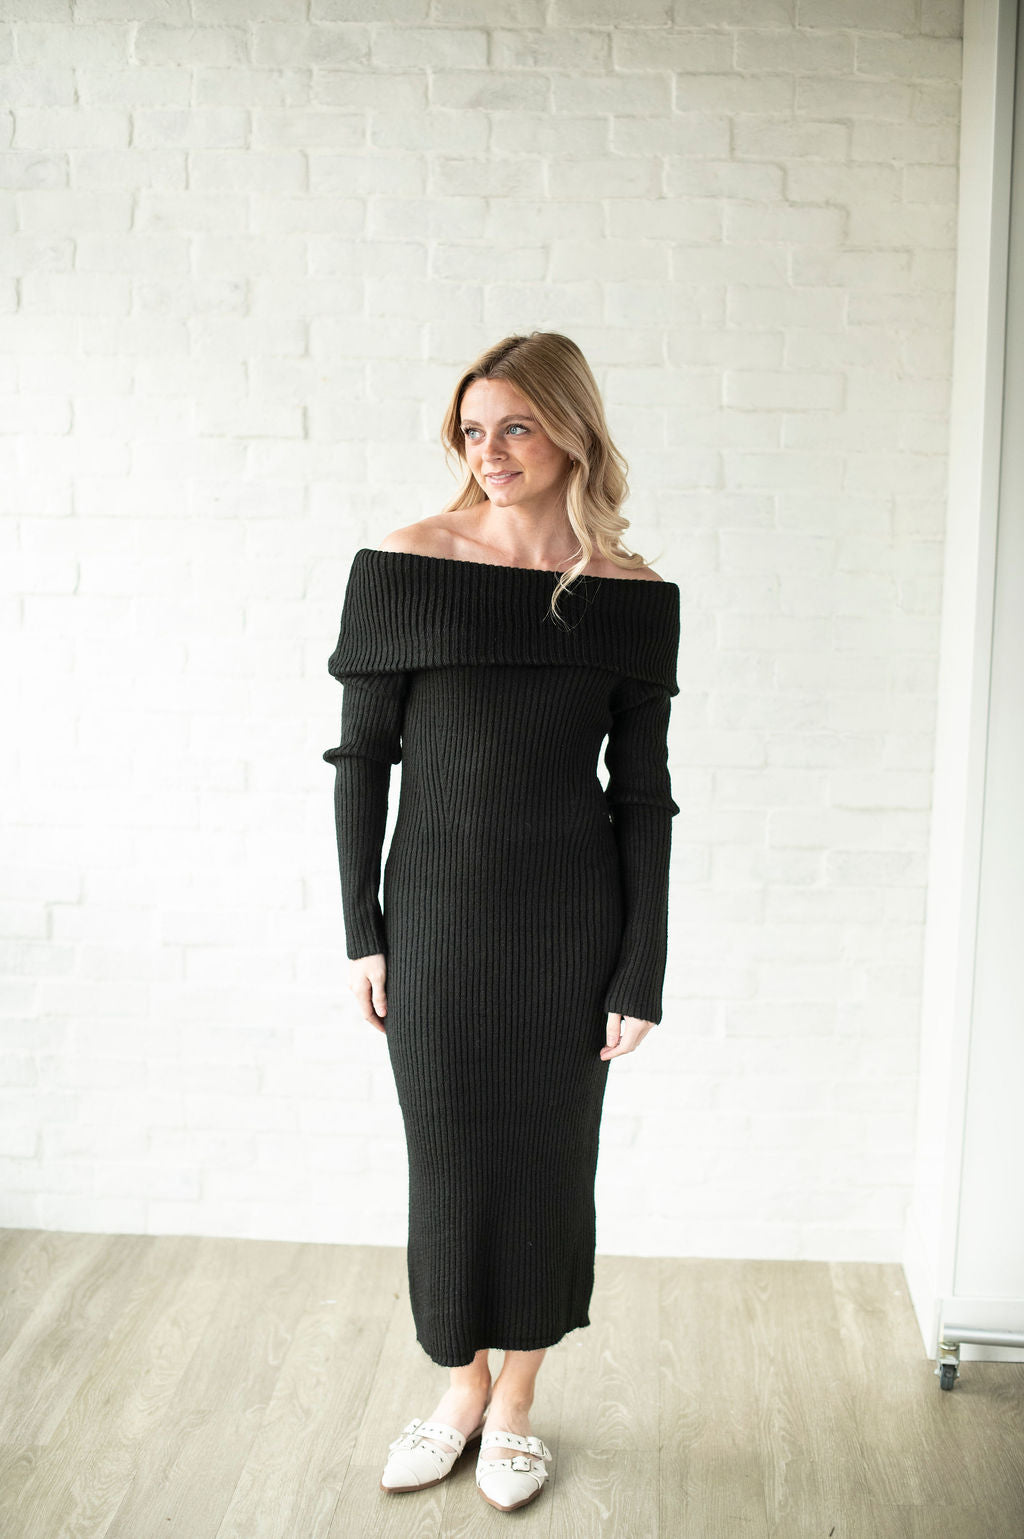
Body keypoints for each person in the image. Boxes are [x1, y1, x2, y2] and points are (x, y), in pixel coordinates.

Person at [322, 331, 680, 1513]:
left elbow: (641, 798)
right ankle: (459, 1388)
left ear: (572, 432)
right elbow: (361, 763)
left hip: (572, 928)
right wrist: (362, 931)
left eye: (516, 426)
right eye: (472, 430)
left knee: (549, 1165)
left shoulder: (631, 598)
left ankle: (517, 1399)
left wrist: (640, 966)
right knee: (450, 1161)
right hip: (434, 922)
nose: (490, 451)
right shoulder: (405, 563)